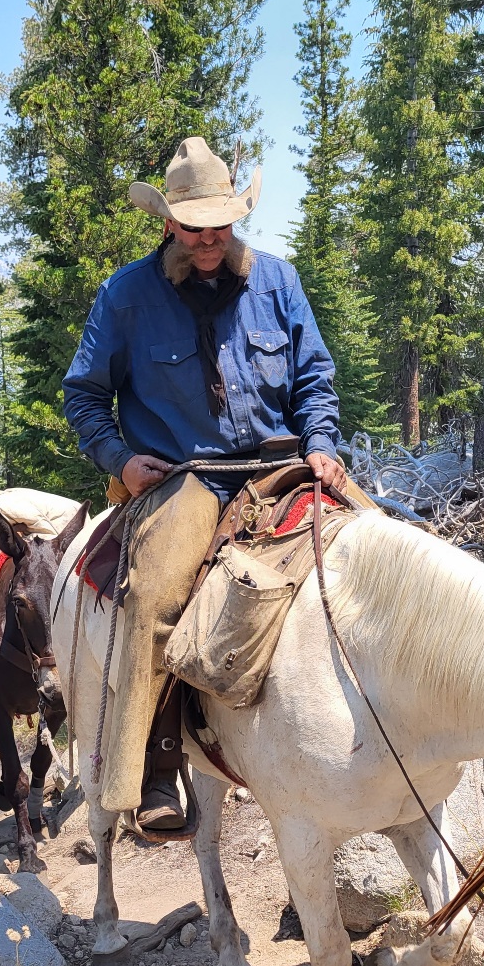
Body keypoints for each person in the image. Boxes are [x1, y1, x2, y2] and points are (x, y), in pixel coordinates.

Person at [63, 136, 347, 830]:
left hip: (281, 463)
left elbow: (314, 378)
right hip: (187, 476)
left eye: (221, 224)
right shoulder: (126, 296)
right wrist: (121, 461)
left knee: (377, 542)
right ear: (167, 223)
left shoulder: (277, 281)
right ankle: (151, 769)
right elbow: (85, 396)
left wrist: (321, 443)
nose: (210, 239)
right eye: (194, 227)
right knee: (155, 591)